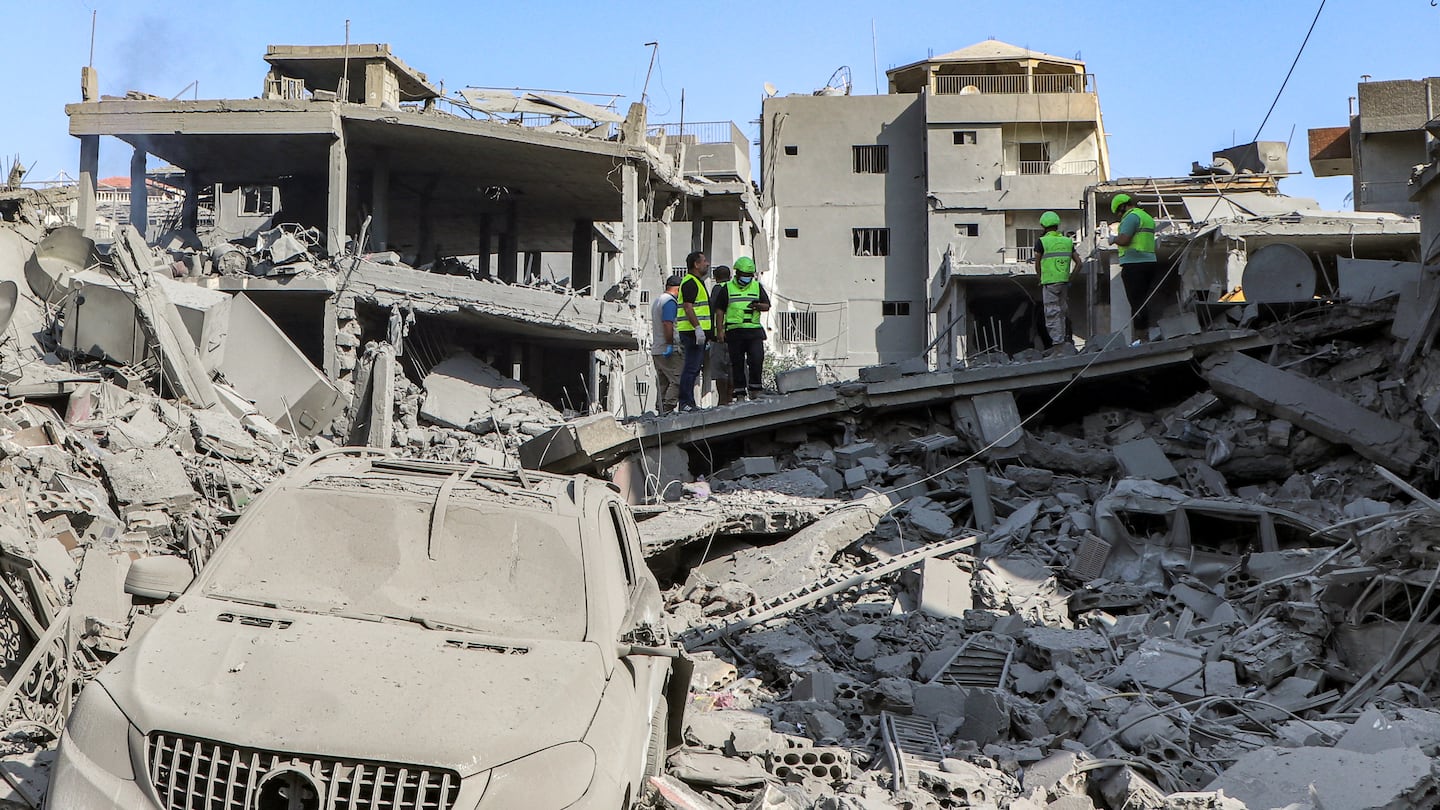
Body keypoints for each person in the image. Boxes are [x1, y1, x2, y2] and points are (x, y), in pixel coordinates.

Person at [713, 256, 772, 400]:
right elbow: (719, 310)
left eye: (749, 276)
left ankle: (755, 389)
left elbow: (767, 305)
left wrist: (758, 306)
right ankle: (740, 392)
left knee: (756, 359)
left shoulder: (757, 286)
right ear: (737, 273)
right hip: (734, 331)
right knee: (737, 363)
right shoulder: (727, 288)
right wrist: (719, 330)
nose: (746, 278)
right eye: (744, 275)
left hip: (753, 330)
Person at [1110, 193, 1160, 343]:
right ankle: (1143, 336)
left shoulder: (1131, 217)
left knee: (1136, 302)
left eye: (1119, 212)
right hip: (1149, 262)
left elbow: (1124, 240)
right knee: (1142, 301)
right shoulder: (1146, 217)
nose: (1119, 216)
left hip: (1134, 264)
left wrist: (1113, 239)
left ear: (1123, 207)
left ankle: (1141, 337)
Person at [1033, 211, 1081, 351]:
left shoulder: (1042, 242)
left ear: (1043, 225)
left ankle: (1058, 346)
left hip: (1049, 283)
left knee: (1052, 313)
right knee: (1062, 313)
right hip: (1064, 283)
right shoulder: (1068, 241)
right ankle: (1065, 341)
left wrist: (1040, 278)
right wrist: (1070, 279)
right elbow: (1079, 263)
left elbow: (1037, 263)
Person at [676, 251, 711, 412]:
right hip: (691, 332)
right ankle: (686, 402)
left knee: (694, 367)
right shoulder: (691, 282)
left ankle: (688, 402)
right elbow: (688, 307)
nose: (707, 264)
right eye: (704, 261)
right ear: (696, 264)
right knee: (691, 367)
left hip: (696, 332)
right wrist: (698, 328)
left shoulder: (697, 282)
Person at [650, 274, 684, 414]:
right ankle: (668, 407)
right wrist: (670, 344)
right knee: (679, 379)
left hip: (657, 349)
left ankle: (661, 409)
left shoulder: (658, 300)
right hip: (668, 349)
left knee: (663, 382)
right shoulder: (670, 302)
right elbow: (667, 323)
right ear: (678, 289)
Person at [703, 265, 734, 406]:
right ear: (730, 276)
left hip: (719, 336)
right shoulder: (734, 289)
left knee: (721, 370)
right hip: (734, 333)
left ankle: (722, 401)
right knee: (733, 368)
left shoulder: (717, 289)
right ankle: (730, 398)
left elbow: (713, 312)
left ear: (716, 278)